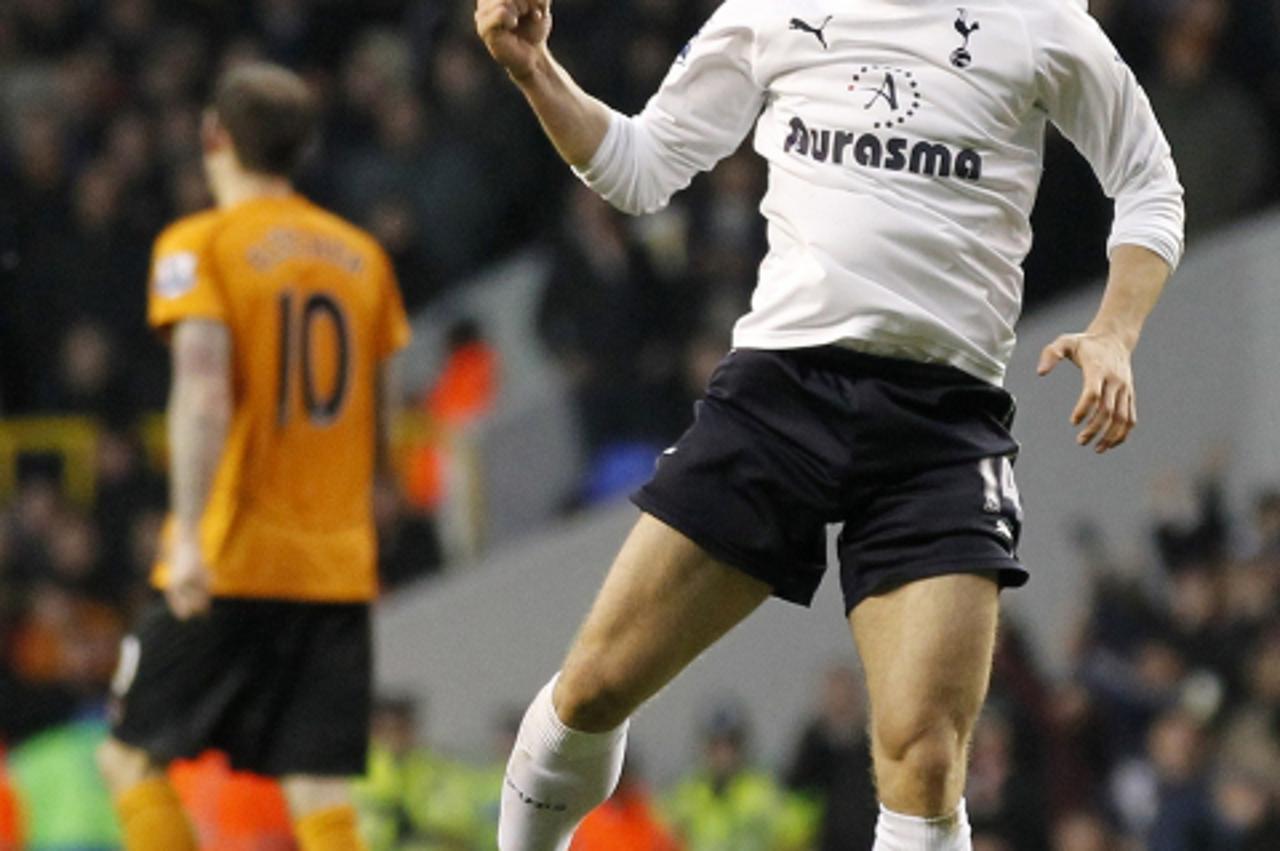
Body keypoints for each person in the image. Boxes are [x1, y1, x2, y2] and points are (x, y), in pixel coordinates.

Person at [475, 0, 1184, 847]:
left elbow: (1149, 182)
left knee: (923, 758)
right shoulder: (771, 10)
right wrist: (533, 71)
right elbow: (640, 165)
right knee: (591, 690)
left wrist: (1114, 332)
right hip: (783, 393)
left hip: (942, 420)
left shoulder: (1039, 21)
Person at [95, 62, 411, 851]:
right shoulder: (362, 258)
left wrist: (194, 537)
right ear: (301, 149)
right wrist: (381, 498)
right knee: (317, 786)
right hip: (335, 563)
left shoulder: (198, 245)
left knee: (128, 757)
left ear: (213, 137)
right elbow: (385, 406)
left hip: (234, 553)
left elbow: (202, 391)